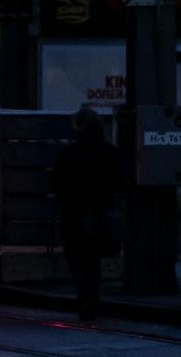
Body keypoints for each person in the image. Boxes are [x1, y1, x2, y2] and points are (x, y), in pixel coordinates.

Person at [50, 106, 125, 320]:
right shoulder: (109, 152)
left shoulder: (69, 153)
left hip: (73, 213)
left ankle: (84, 295)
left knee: (77, 256)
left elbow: (56, 182)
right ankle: (93, 294)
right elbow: (119, 182)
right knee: (93, 258)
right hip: (100, 212)